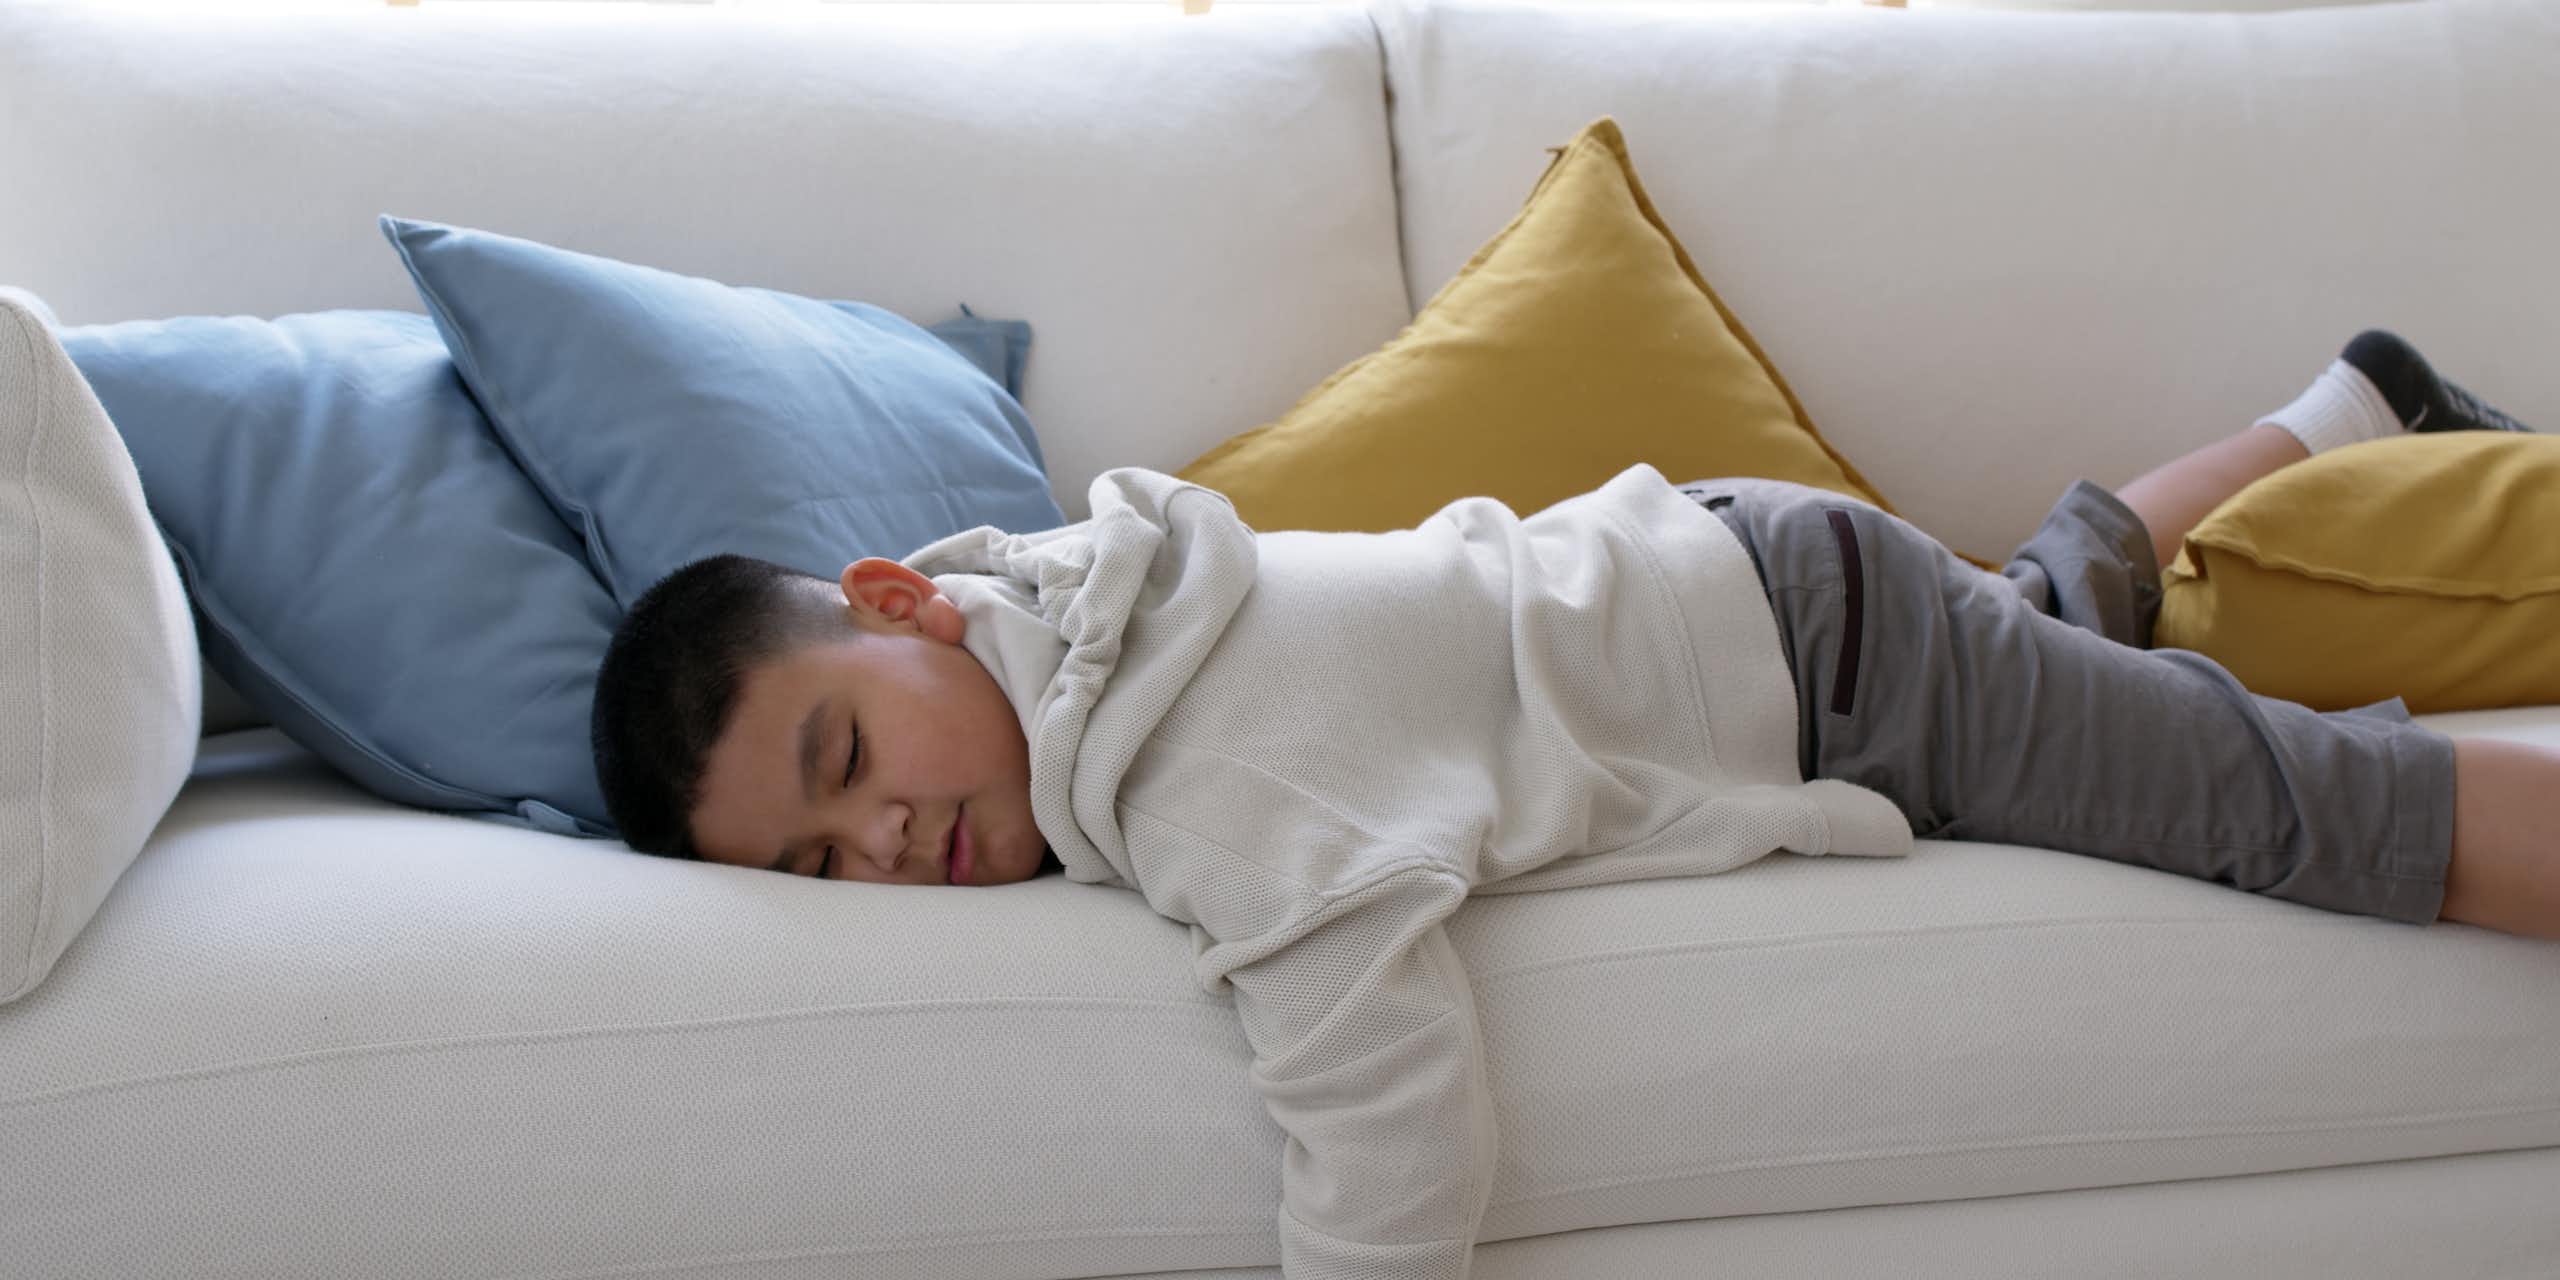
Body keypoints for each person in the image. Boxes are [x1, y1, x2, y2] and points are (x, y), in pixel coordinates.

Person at [588, 330, 2554, 1280]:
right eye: (817, 862)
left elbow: (1380, 1098)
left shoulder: (1194, 764)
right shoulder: (1063, 590)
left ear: (902, 603)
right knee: (2049, 609)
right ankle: (2339, 406)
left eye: (848, 763)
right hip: (1759, 584)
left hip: (1830, 660)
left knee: (2303, 810)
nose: (885, 845)